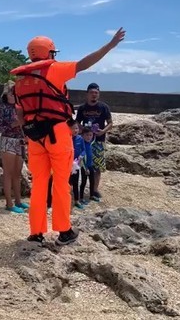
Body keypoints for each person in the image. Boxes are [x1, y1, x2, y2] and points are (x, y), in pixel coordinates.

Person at [10, 27, 126, 245]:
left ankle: (36, 232)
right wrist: (110, 46)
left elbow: (20, 112)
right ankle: (64, 231)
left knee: (39, 183)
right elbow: (85, 63)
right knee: (62, 182)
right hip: (57, 133)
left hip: (34, 136)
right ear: (50, 53)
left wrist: (28, 131)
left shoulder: (20, 80)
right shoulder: (54, 69)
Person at [0, 81, 29, 214]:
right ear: (5, 94)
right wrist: (14, 124)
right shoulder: (1, 109)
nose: (13, 95)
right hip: (8, 141)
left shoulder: (20, 108)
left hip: (20, 141)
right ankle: (9, 202)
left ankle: (18, 201)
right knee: (8, 173)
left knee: (17, 173)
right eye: (10, 92)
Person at [76, 82, 113, 202]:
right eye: (91, 93)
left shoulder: (104, 107)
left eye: (96, 93)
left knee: (97, 167)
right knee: (80, 165)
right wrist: (82, 130)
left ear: (99, 94)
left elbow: (110, 123)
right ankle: (76, 188)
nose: (94, 95)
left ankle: (95, 189)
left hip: (98, 141)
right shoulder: (82, 108)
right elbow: (77, 122)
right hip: (84, 142)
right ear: (87, 94)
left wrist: (103, 131)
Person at [68, 119, 86, 209]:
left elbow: (83, 150)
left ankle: (76, 200)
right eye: (72, 128)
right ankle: (67, 200)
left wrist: (81, 156)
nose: (75, 130)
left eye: (76, 128)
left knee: (75, 183)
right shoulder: (67, 138)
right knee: (67, 183)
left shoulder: (80, 139)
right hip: (67, 165)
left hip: (76, 164)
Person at [78, 127, 94, 205]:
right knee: (83, 182)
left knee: (92, 181)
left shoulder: (91, 143)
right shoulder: (82, 144)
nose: (89, 137)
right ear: (82, 135)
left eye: (90, 135)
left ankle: (91, 195)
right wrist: (86, 168)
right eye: (87, 135)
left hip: (91, 165)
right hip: (84, 167)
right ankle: (81, 197)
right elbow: (83, 158)